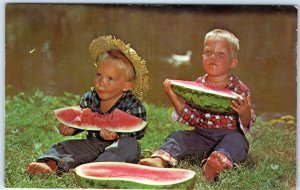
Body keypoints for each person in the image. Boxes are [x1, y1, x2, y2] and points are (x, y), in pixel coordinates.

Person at [139, 29, 256, 181]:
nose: (213, 57)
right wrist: (173, 96)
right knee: (178, 136)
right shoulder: (197, 86)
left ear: (233, 62)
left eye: (221, 54)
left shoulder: (241, 90)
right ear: (202, 57)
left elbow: (246, 125)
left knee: (238, 142)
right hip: (201, 135)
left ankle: (216, 162)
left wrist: (245, 112)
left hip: (229, 134)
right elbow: (192, 119)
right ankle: (160, 159)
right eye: (208, 52)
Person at [27, 35, 149, 175]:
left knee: (130, 147)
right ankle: (50, 165)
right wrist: (72, 128)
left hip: (119, 146)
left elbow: (139, 130)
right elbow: (83, 120)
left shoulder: (133, 105)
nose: (101, 82)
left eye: (110, 78)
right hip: (92, 145)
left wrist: (117, 134)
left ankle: (95, 169)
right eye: (99, 75)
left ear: (126, 85)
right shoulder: (89, 98)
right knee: (65, 146)